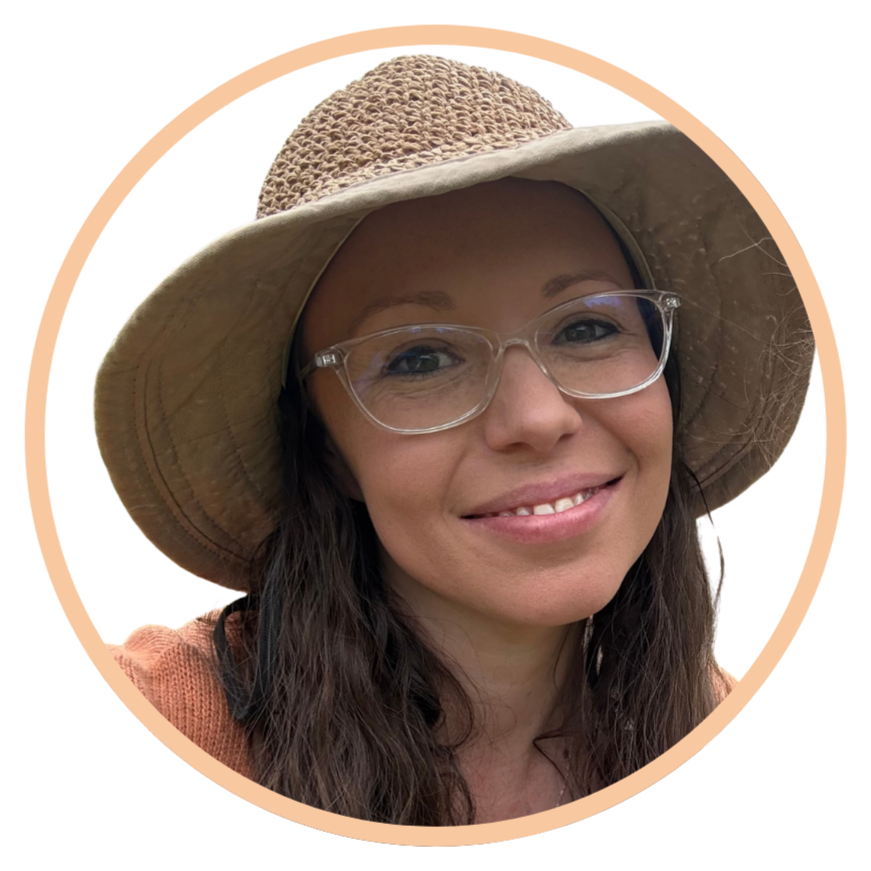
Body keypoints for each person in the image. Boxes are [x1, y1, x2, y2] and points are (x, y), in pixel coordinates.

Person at [94, 53, 815, 826]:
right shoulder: (154, 729)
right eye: (419, 358)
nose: (537, 417)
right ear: (327, 449)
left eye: (586, 326)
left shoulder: (744, 745)